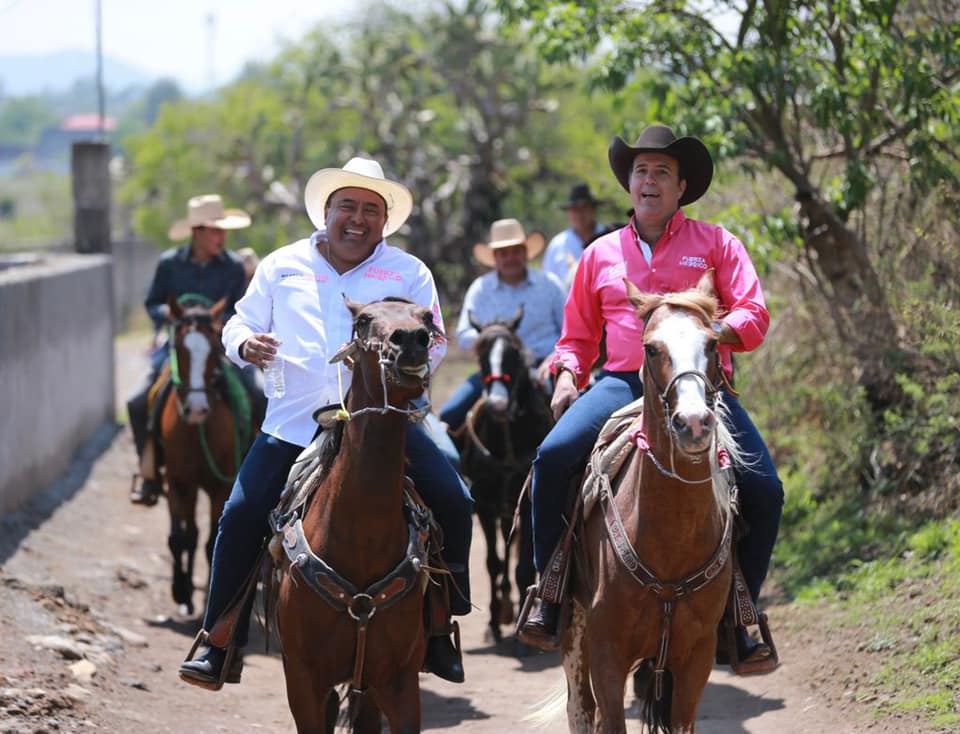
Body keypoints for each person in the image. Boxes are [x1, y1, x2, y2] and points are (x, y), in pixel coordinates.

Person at [178, 157, 474, 688]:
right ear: (327, 211)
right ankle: (218, 640)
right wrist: (244, 343)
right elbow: (240, 320)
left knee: (453, 498)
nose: (357, 219)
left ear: (385, 221)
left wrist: (407, 374)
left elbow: (435, 339)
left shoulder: (408, 273)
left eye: (370, 210)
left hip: (388, 424)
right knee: (242, 513)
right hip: (293, 424)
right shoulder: (281, 265)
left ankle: (438, 629)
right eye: (347, 207)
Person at [519, 125, 784, 670]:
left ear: (681, 186)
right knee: (552, 457)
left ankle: (743, 612)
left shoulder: (717, 244)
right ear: (629, 184)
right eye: (640, 171)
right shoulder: (598, 255)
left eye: (661, 172)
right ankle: (547, 592)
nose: (649, 180)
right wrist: (567, 375)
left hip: (700, 383)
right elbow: (573, 339)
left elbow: (755, 315)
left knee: (764, 488)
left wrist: (710, 336)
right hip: (622, 380)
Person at [127, 194, 251, 506]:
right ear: (197, 232)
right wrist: (166, 315)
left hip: (221, 349)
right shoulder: (170, 263)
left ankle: (252, 475)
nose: (222, 237)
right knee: (137, 401)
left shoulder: (234, 267)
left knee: (259, 393)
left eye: (223, 230)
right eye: (215, 230)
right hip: (177, 348)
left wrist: (223, 324)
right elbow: (152, 301)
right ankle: (149, 471)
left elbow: (243, 309)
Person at [438, 218, 566, 433]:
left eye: (515, 251)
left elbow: (569, 330)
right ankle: (454, 462)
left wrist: (554, 358)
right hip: (495, 370)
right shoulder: (480, 288)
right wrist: (493, 341)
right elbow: (463, 334)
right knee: (450, 414)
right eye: (503, 253)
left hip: (544, 369)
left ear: (525, 252)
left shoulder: (549, 284)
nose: (510, 258)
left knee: (571, 412)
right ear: (495, 258)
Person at [542, 183, 607, 290]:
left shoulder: (608, 238)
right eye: (575, 209)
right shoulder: (558, 244)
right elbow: (548, 283)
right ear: (568, 213)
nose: (580, 214)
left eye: (584, 208)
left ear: (593, 209)